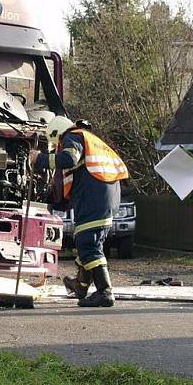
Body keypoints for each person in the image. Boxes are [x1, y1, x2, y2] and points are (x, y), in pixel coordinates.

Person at [31, 116, 129, 307]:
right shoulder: (90, 139)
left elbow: (69, 158)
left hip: (94, 200)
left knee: (88, 244)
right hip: (105, 198)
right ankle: (80, 286)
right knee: (86, 242)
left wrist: (39, 159)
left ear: (57, 135)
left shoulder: (72, 137)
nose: (58, 147)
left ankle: (104, 292)